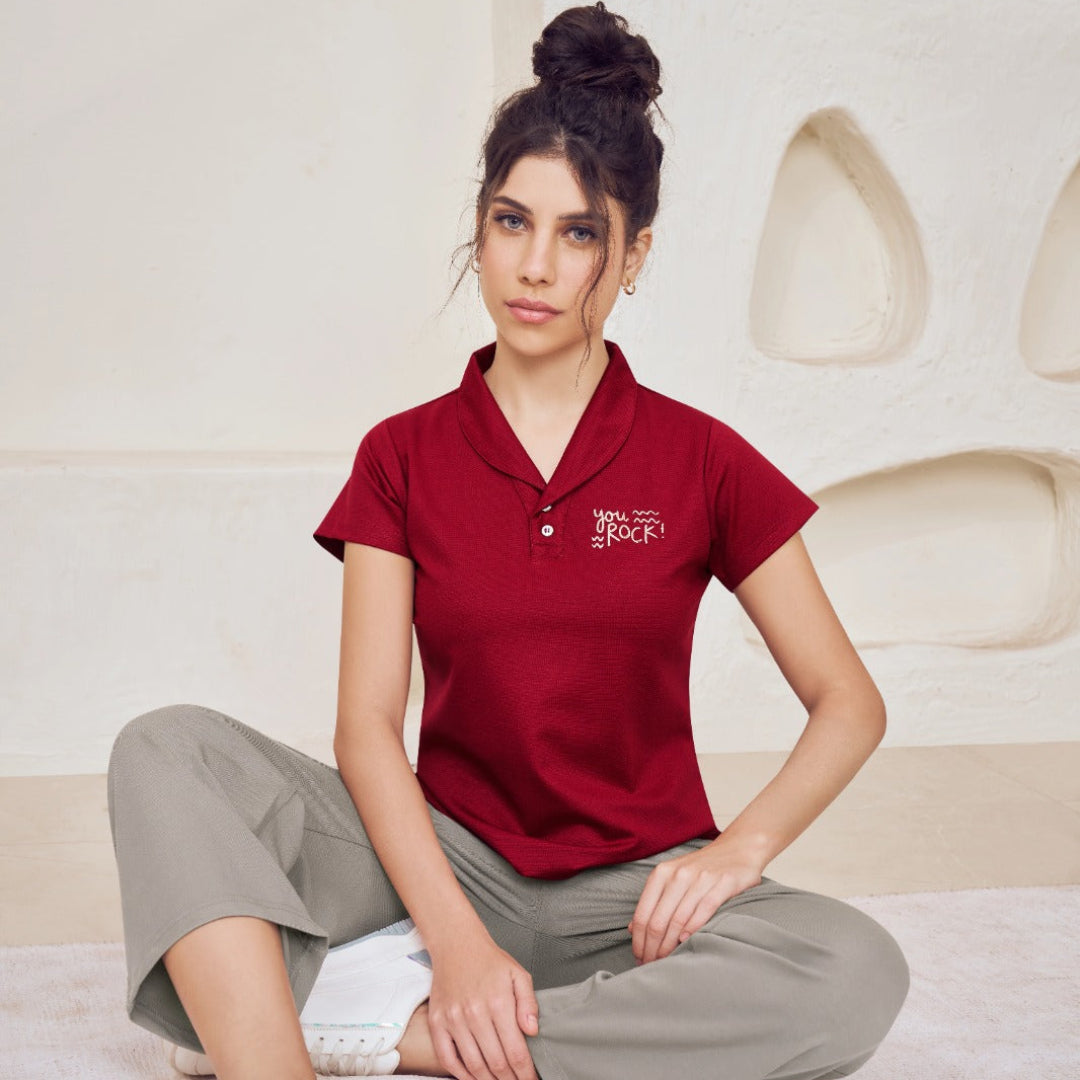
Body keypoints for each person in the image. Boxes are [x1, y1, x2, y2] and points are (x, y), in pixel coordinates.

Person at [106, 4, 909, 1079]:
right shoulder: (400, 455)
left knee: (852, 970)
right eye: (510, 221)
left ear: (632, 257)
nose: (536, 264)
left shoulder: (703, 458)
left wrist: (733, 857)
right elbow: (365, 728)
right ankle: (277, 1060)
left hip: (633, 891)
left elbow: (849, 702)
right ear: (479, 231)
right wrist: (459, 938)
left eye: (579, 233)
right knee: (164, 751)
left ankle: (408, 1034)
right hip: (439, 861)